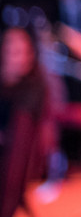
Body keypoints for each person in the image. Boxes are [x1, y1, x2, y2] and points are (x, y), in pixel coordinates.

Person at [0, 26, 47, 217]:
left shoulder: (34, 86)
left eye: (24, 52)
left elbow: (19, 139)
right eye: (12, 52)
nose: (20, 59)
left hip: (11, 156)